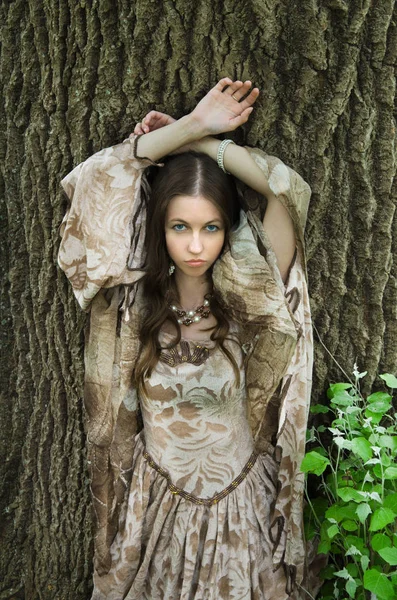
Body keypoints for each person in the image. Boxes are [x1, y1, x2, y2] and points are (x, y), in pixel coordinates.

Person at [58, 78, 314, 599]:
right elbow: (91, 182)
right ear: (159, 228)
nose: (195, 245)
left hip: (241, 513)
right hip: (155, 511)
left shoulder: (249, 292)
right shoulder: (128, 300)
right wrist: (186, 126)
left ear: (230, 229)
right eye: (180, 227)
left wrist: (205, 145)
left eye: (211, 228)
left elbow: (288, 187)